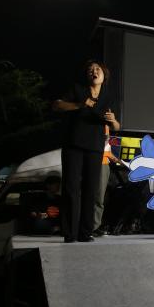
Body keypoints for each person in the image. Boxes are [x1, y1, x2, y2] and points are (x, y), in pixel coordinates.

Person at [53, 60, 120, 243]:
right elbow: (57, 105)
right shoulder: (78, 90)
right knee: (71, 188)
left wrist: (113, 120)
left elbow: (116, 126)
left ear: (104, 75)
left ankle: (85, 232)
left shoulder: (108, 96)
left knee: (91, 190)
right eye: (90, 70)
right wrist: (80, 105)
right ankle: (70, 233)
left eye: (97, 69)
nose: (94, 71)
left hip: (95, 147)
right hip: (73, 145)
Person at [93, 125, 116, 237]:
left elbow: (106, 149)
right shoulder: (94, 125)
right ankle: (91, 226)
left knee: (100, 197)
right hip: (96, 162)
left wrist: (117, 160)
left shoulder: (106, 126)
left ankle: (95, 226)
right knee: (95, 197)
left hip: (104, 163)